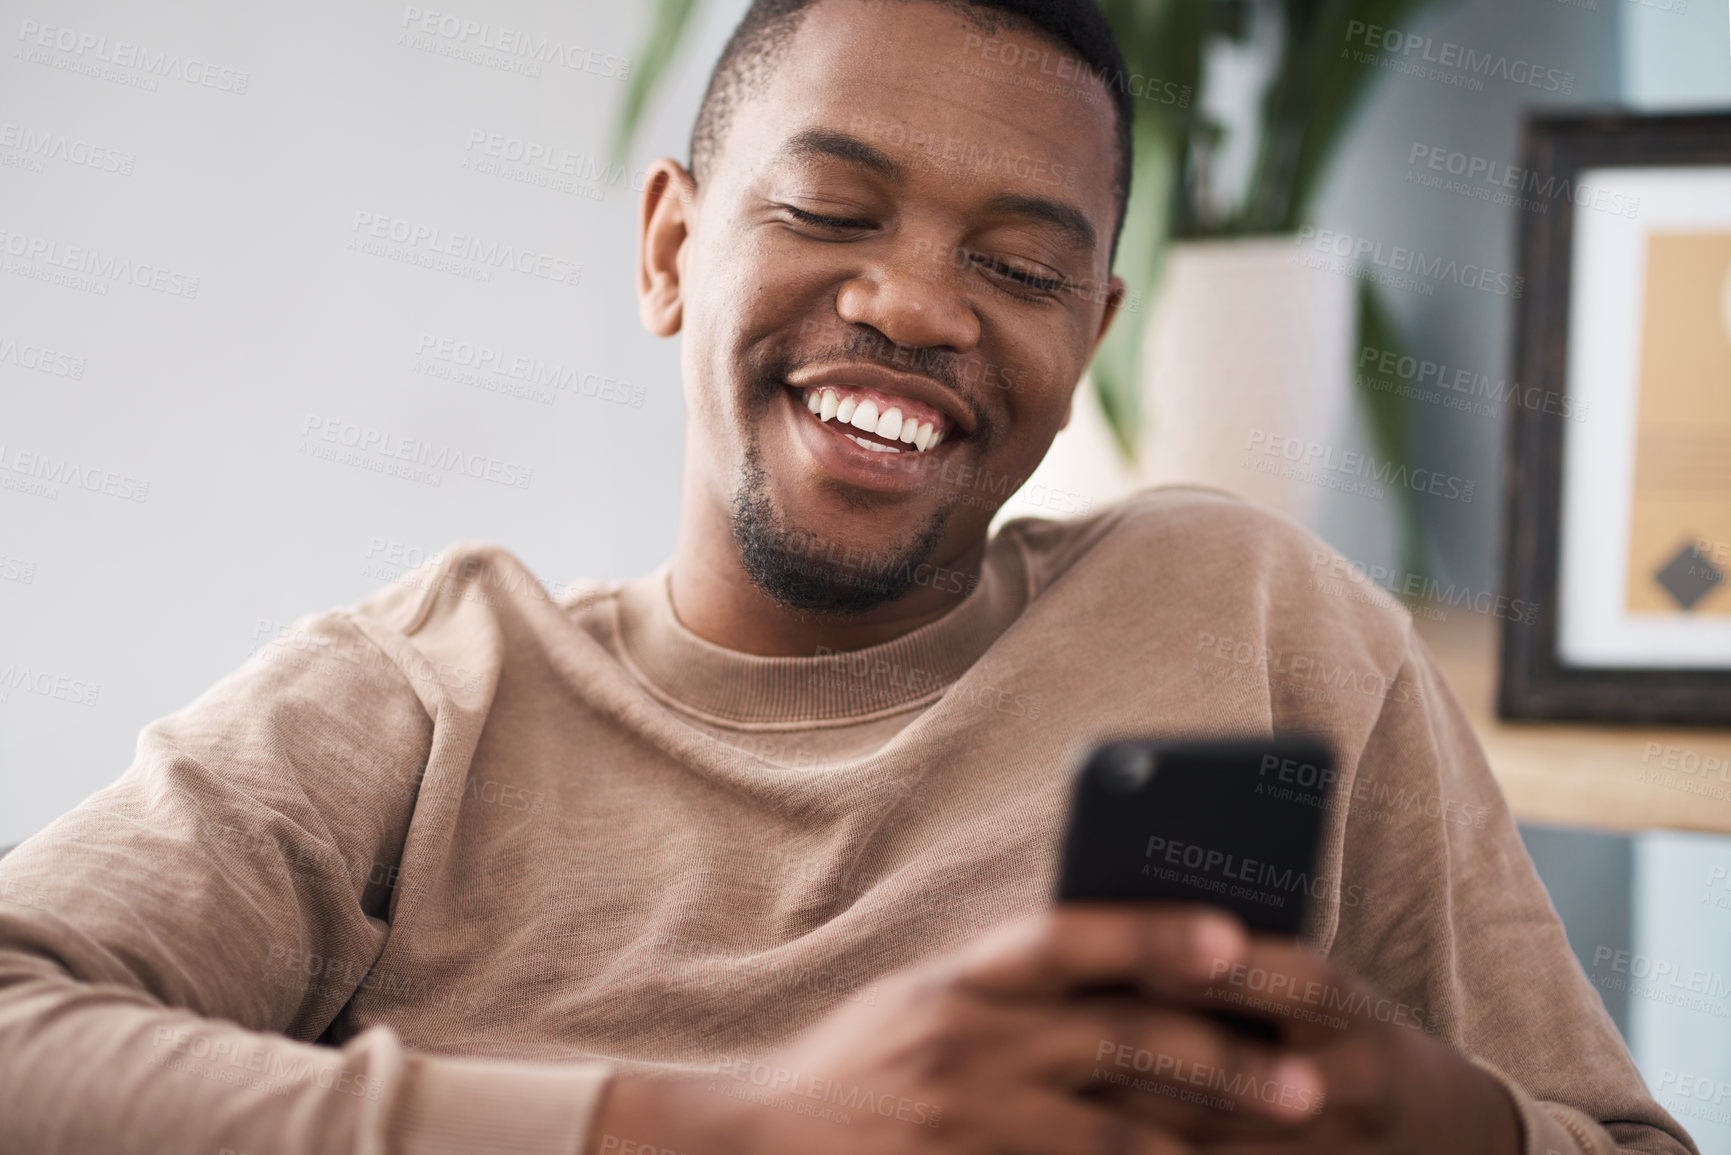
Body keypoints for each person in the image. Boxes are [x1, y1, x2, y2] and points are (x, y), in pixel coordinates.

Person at [0, 1, 1698, 1152]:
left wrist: (1433, 1120)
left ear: (1092, 333)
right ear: (672, 247)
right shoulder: (425, 691)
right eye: (830, 210)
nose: (918, 306)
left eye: (1019, 264)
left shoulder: (1251, 616)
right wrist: (715, 1128)